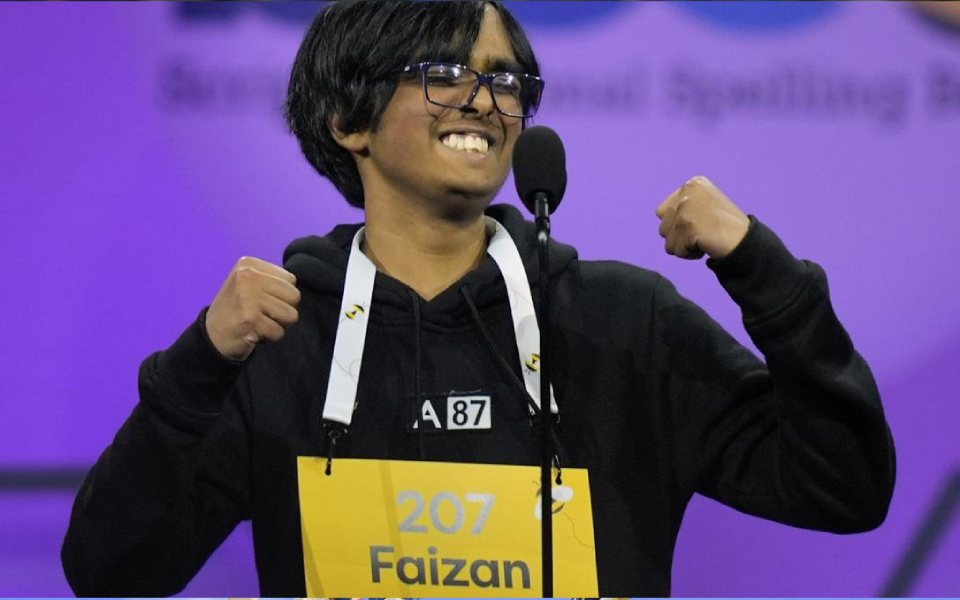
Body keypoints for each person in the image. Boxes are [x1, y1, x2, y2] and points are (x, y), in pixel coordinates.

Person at [61, 1, 895, 596]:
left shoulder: (621, 324)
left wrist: (762, 269)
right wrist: (198, 365)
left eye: (504, 79)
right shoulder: (280, 335)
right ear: (349, 119)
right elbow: (110, 572)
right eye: (443, 71)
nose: (483, 100)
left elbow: (844, 487)